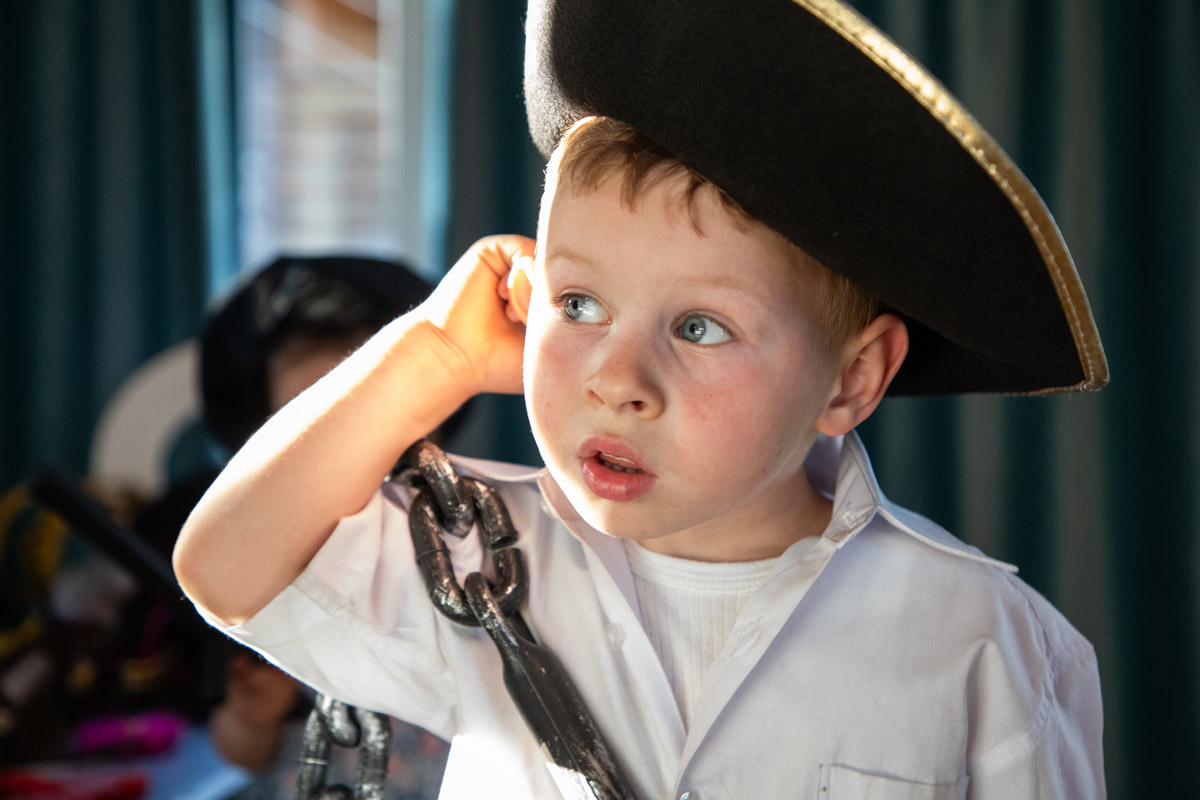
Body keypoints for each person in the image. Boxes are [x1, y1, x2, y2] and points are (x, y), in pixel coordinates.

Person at [175, 1, 1108, 798]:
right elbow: (225, 569)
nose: (616, 380)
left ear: (853, 378)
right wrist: (435, 354)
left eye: (700, 327)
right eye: (578, 305)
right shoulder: (471, 558)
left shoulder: (985, 639)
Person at [195, 255, 452, 798]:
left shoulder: (462, 534)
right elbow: (236, 747)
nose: (329, 450)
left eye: (353, 417)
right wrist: (253, 717)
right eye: (299, 427)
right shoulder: (254, 572)